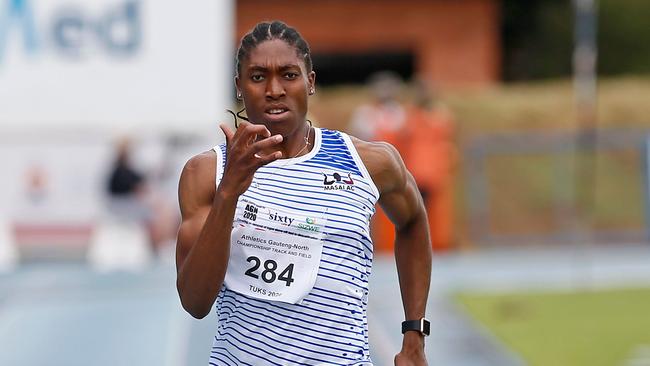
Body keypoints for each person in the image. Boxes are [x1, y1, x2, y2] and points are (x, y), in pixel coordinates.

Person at [175, 21, 432, 365]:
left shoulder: (369, 162)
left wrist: (414, 333)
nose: (274, 89)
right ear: (239, 87)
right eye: (257, 77)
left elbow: (413, 221)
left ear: (310, 82)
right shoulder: (207, 173)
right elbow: (195, 301)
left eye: (289, 75)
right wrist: (229, 194)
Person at [400, 77, 457, 252]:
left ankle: (433, 244)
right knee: (417, 210)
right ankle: (419, 244)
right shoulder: (412, 116)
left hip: (433, 172)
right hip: (417, 171)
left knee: (433, 212)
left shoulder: (438, 115)